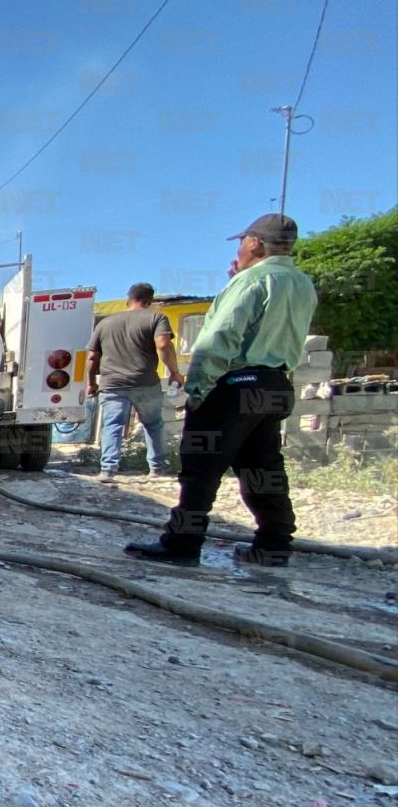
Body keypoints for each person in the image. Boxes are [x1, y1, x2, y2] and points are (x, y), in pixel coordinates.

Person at [126, 214, 317, 568]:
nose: (240, 248)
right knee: (263, 469)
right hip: (274, 385)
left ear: (255, 243)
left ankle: (182, 543)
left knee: (200, 470)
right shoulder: (301, 283)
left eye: (242, 242)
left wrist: (197, 390)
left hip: (236, 385)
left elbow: (218, 340)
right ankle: (273, 544)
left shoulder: (253, 281)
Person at [85, 283, 184, 482]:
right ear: (150, 301)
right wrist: (175, 372)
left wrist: (91, 383)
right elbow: (164, 344)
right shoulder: (156, 317)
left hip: (112, 384)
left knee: (112, 425)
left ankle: (108, 470)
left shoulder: (105, 323)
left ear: (128, 299)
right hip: (145, 382)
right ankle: (157, 469)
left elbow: (92, 357)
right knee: (153, 424)